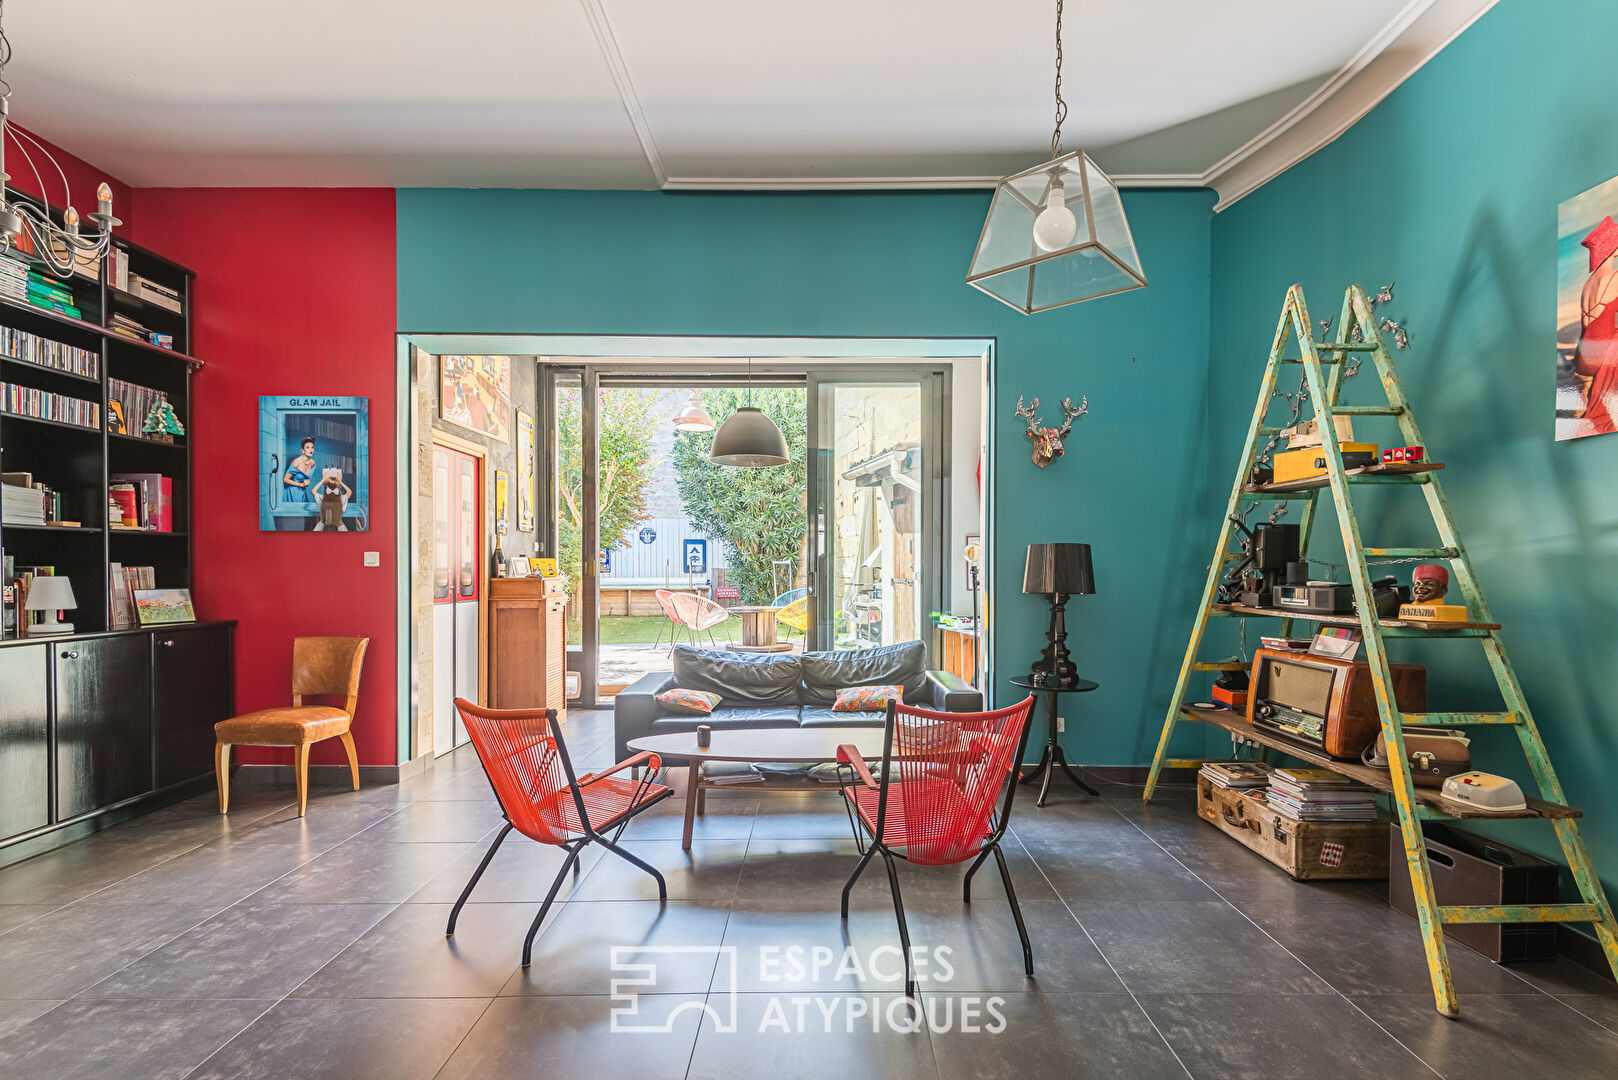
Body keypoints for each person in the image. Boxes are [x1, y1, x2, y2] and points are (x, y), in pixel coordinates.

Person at [1575, 216, 1618, 435]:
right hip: (1602, 359)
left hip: (1583, 358)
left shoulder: (1587, 284)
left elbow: (1585, 327)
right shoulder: (1615, 277)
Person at [283, 437, 317, 504]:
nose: (311, 449)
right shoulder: (296, 462)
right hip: (292, 492)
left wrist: (307, 482)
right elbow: (285, 479)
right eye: (308, 447)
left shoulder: (312, 463)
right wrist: (301, 484)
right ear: (303, 451)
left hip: (302, 492)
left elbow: (307, 477)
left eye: (312, 447)